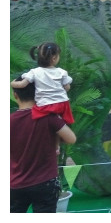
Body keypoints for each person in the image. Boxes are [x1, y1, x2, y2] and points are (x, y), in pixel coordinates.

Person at [10, 81, 76, 212]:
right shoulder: (49, 118)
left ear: (15, 95)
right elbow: (71, 138)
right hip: (45, 183)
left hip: (15, 183)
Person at [12, 42, 75, 125]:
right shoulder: (62, 72)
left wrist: (12, 83)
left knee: (39, 121)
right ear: (54, 58)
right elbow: (67, 88)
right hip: (63, 104)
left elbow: (22, 84)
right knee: (58, 123)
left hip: (44, 105)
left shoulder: (34, 72)